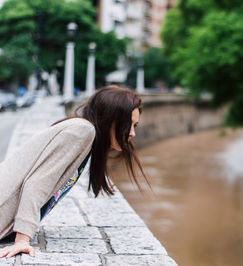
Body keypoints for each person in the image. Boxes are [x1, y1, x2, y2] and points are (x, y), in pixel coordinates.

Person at [0, 85, 149, 258]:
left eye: (134, 126)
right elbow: (35, 184)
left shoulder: (82, 130)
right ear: (111, 119)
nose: (132, 134)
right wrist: (22, 240)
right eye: (127, 125)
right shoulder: (82, 131)